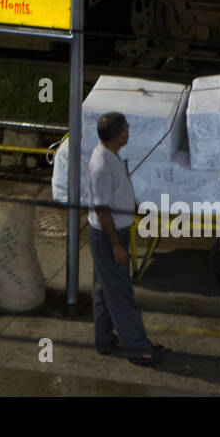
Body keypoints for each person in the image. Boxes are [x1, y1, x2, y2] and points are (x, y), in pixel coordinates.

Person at [87, 111, 165, 367]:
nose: (129, 131)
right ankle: (137, 348)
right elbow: (102, 209)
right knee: (120, 293)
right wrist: (117, 246)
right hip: (108, 236)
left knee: (103, 289)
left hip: (112, 231)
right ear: (119, 135)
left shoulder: (111, 155)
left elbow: (118, 190)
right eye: (126, 129)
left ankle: (104, 340)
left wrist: (135, 206)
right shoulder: (100, 165)